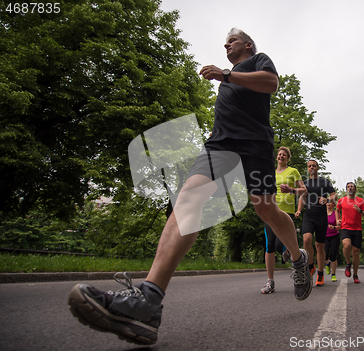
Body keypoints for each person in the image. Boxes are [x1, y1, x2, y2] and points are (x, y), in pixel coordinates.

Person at [68, 28, 313, 346]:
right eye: (225, 42)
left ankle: (297, 258)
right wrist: (226, 78)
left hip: (254, 146)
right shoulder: (229, 79)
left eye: (232, 41)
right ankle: (147, 301)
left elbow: (271, 83)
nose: (226, 44)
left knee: (265, 208)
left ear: (248, 45)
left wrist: (226, 75)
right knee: (188, 201)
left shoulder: (258, 61)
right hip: (219, 146)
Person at [261, 146, 307, 294]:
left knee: (281, 246)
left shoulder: (293, 172)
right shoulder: (271, 173)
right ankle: (270, 281)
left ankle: (294, 247)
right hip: (270, 211)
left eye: (284, 155)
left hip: (286, 212)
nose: (281, 156)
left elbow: (304, 190)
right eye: (279, 154)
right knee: (269, 246)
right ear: (277, 157)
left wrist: (292, 190)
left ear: (288, 158)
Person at [295, 160, 336, 287]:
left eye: (313, 166)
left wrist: (327, 199)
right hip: (309, 215)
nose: (311, 167)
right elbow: (302, 198)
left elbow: (334, 195)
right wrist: (299, 210)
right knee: (306, 239)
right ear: (307, 169)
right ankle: (311, 265)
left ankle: (320, 273)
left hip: (321, 217)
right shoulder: (305, 184)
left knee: (319, 246)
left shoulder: (324, 181)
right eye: (309, 166)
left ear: (317, 168)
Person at [336, 182, 364, 284]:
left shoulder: (360, 201)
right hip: (345, 227)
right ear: (346, 189)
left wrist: (360, 211)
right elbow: (337, 210)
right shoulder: (342, 200)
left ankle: (355, 274)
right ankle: (348, 263)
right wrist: (338, 220)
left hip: (357, 229)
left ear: (355, 190)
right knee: (346, 245)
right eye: (348, 187)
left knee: (356, 252)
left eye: (352, 187)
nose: (350, 188)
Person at [324, 200, 341, 282]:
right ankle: (327, 263)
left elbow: (340, 226)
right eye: (327, 202)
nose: (328, 203)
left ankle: (333, 274)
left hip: (334, 236)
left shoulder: (335, 213)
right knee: (324, 255)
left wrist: (334, 227)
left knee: (333, 256)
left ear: (333, 204)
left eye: (330, 202)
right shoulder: (322, 213)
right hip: (324, 236)